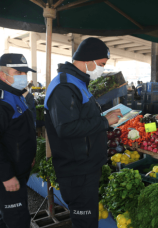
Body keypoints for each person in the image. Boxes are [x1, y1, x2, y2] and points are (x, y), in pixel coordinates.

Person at [44, 38, 122, 228]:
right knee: (85, 222)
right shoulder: (64, 87)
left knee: (87, 221)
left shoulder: (77, 83)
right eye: (102, 64)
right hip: (77, 171)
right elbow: (66, 128)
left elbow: (80, 118)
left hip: (85, 168)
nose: (102, 69)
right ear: (88, 60)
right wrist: (104, 121)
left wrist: (104, 117)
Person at [0, 53, 37, 228]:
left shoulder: (15, 95)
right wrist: (7, 176)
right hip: (4, 176)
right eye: (18, 72)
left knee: (8, 216)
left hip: (18, 171)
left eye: (25, 73)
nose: (24, 77)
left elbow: (20, 133)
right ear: (3, 75)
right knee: (19, 220)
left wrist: (28, 157)